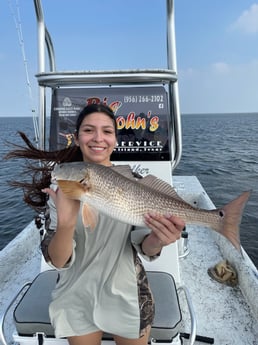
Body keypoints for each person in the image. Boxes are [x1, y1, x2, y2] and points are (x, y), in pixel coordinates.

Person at [6, 103, 185, 345]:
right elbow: (58, 261)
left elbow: (147, 248)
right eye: (89, 130)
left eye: (107, 131)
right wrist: (66, 225)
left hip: (128, 292)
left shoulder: (137, 183)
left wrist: (160, 239)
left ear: (115, 139)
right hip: (75, 293)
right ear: (77, 138)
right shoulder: (60, 189)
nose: (98, 138)